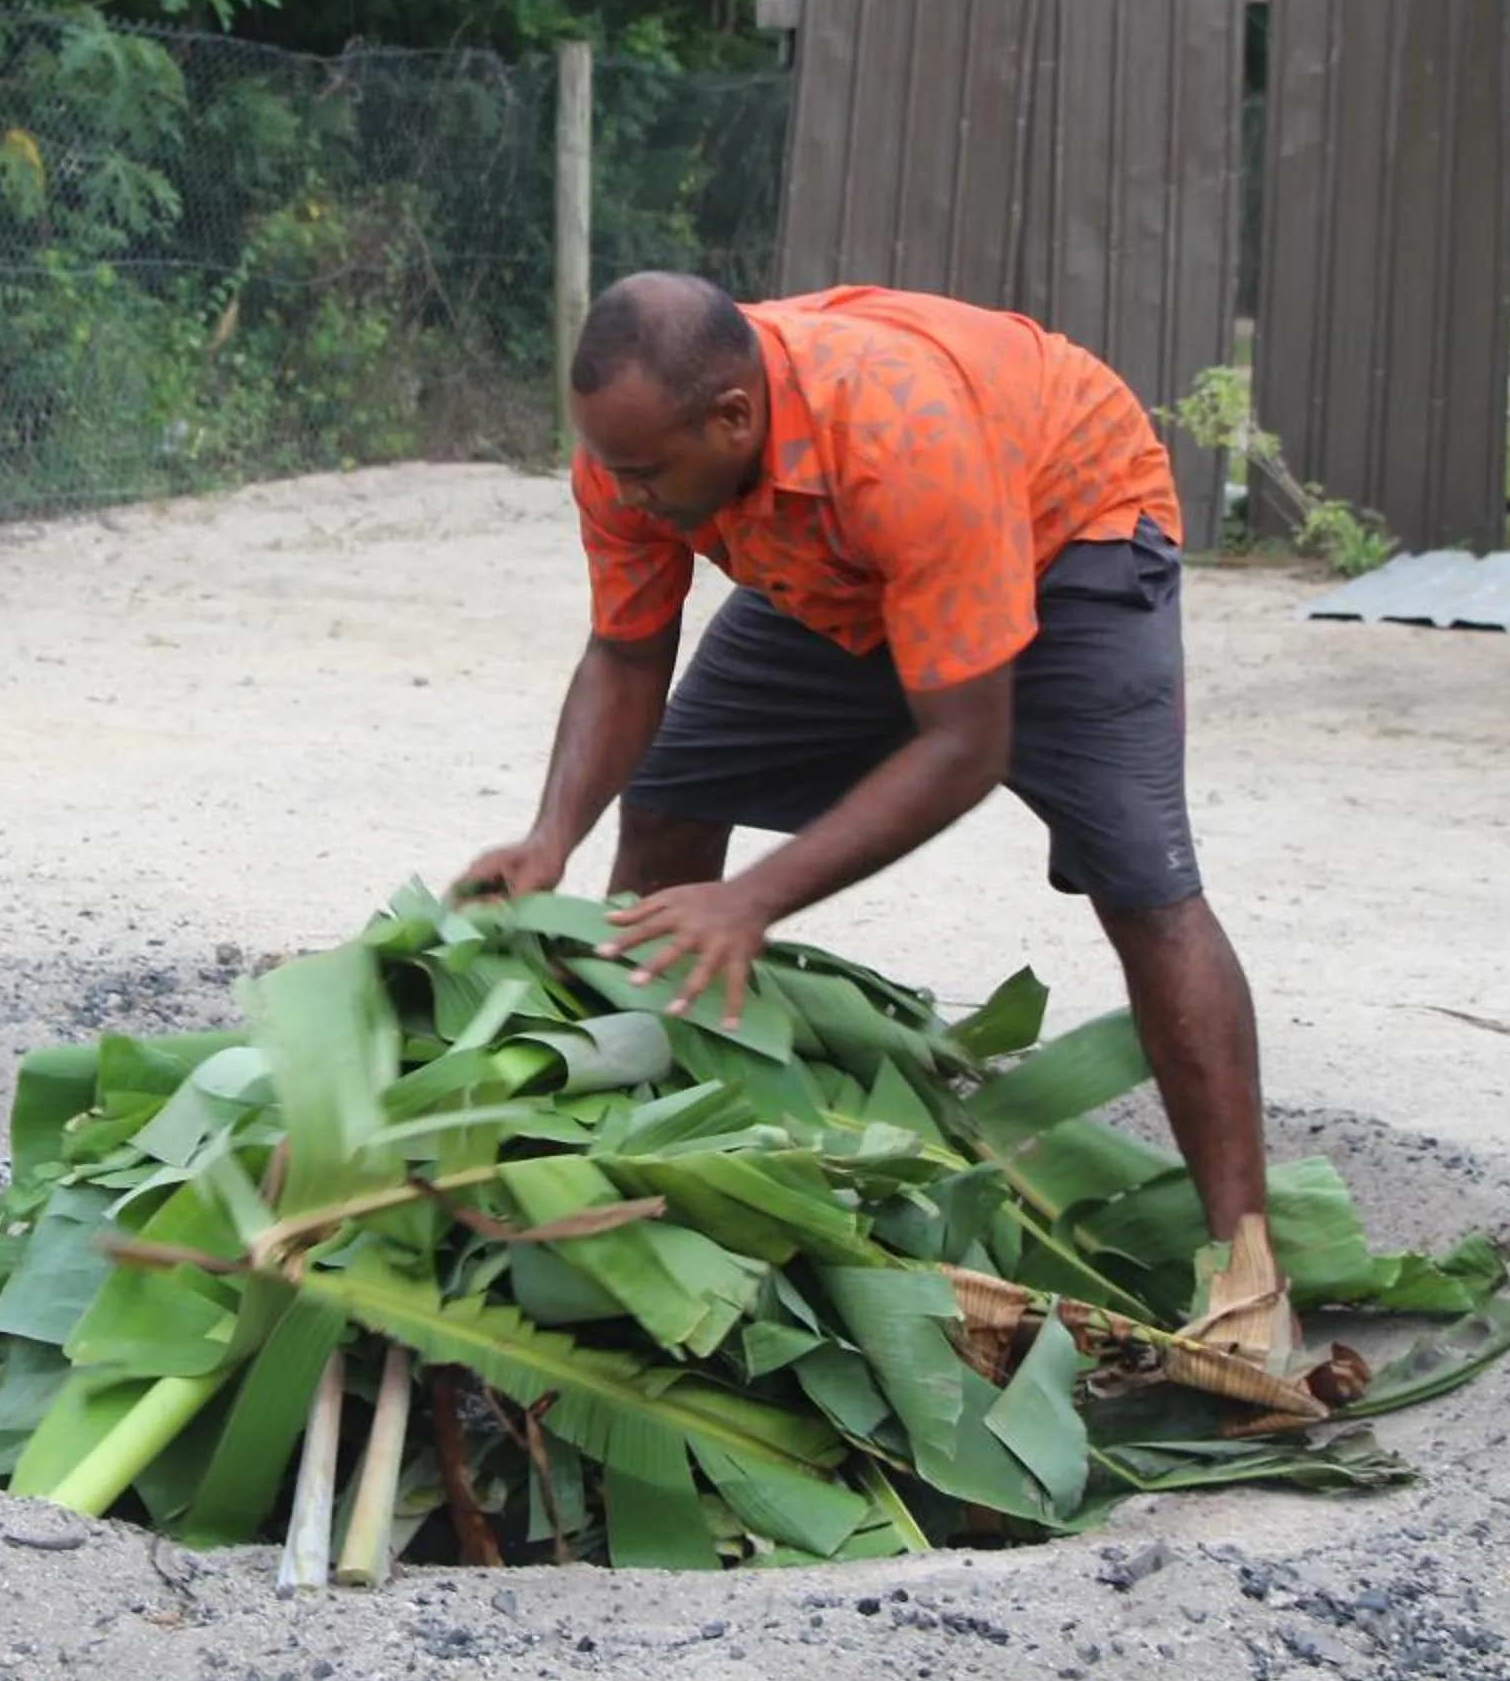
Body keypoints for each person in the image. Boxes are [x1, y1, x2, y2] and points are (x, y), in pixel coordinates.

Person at [455, 270, 1294, 1371]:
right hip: (842, 566)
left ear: (734, 416)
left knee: (1141, 878)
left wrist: (753, 899)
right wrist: (552, 832)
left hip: (1066, 529)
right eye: (612, 469)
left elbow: (963, 745)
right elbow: (625, 648)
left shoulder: (902, 437)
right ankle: (649, 1143)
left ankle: (1249, 1273)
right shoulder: (637, 453)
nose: (627, 496)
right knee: (666, 799)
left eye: (649, 474)